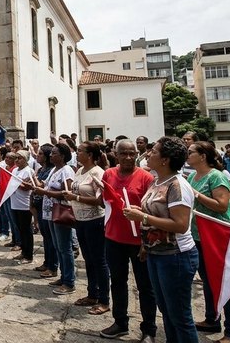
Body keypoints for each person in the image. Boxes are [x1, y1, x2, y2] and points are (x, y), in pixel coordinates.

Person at [124, 137, 198, 343]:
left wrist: (143, 217)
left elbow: (181, 224)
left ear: (165, 160)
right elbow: (158, 211)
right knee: (166, 310)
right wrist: (142, 213)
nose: (149, 154)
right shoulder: (158, 181)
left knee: (180, 316)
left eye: (154, 151)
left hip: (176, 256)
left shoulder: (177, 185)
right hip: (157, 252)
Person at [100, 139, 157, 341]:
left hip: (138, 241)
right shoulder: (109, 174)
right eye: (123, 154)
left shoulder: (146, 177)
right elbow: (105, 200)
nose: (128, 157)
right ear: (116, 154)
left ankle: (149, 328)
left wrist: (145, 241)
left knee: (145, 286)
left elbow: (151, 210)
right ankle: (120, 322)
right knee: (117, 281)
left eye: (132, 153)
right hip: (114, 237)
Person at [186, 141, 230, 343]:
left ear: (203, 156)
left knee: (223, 283)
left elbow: (221, 205)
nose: (187, 154)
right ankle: (212, 319)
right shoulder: (193, 175)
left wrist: (197, 195)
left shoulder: (216, 176)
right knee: (208, 281)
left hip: (215, 235)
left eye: (191, 152)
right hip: (197, 235)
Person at [62, 141, 110, 314]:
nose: (77, 153)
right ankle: (92, 293)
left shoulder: (98, 173)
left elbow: (101, 201)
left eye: (80, 151)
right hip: (80, 220)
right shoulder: (80, 171)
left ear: (90, 155)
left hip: (94, 220)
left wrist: (75, 197)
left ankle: (104, 298)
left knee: (99, 260)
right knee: (88, 259)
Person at [32, 143, 76, 296]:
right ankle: (63, 276)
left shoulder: (66, 170)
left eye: (54, 153)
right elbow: (46, 186)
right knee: (57, 246)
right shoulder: (54, 170)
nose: (51, 156)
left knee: (65, 248)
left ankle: (69, 281)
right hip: (50, 212)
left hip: (60, 212)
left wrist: (44, 192)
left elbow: (67, 193)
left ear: (62, 156)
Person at [32, 144, 56, 277]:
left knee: (50, 237)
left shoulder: (50, 170)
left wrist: (33, 176)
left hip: (47, 205)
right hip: (39, 204)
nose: (37, 155)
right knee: (45, 236)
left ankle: (53, 265)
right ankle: (47, 262)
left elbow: (40, 185)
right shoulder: (42, 169)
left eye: (40, 153)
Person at [10, 150, 35, 264]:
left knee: (26, 230)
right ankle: (23, 251)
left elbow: (28, 187)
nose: (16, 160)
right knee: (20, 229)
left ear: (25, 159)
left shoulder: (29, 171)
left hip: (24, 204)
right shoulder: (15, 170)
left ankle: (29, 255)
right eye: (16, 158)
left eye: (19, 158)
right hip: (14, 203)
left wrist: (16, 184)